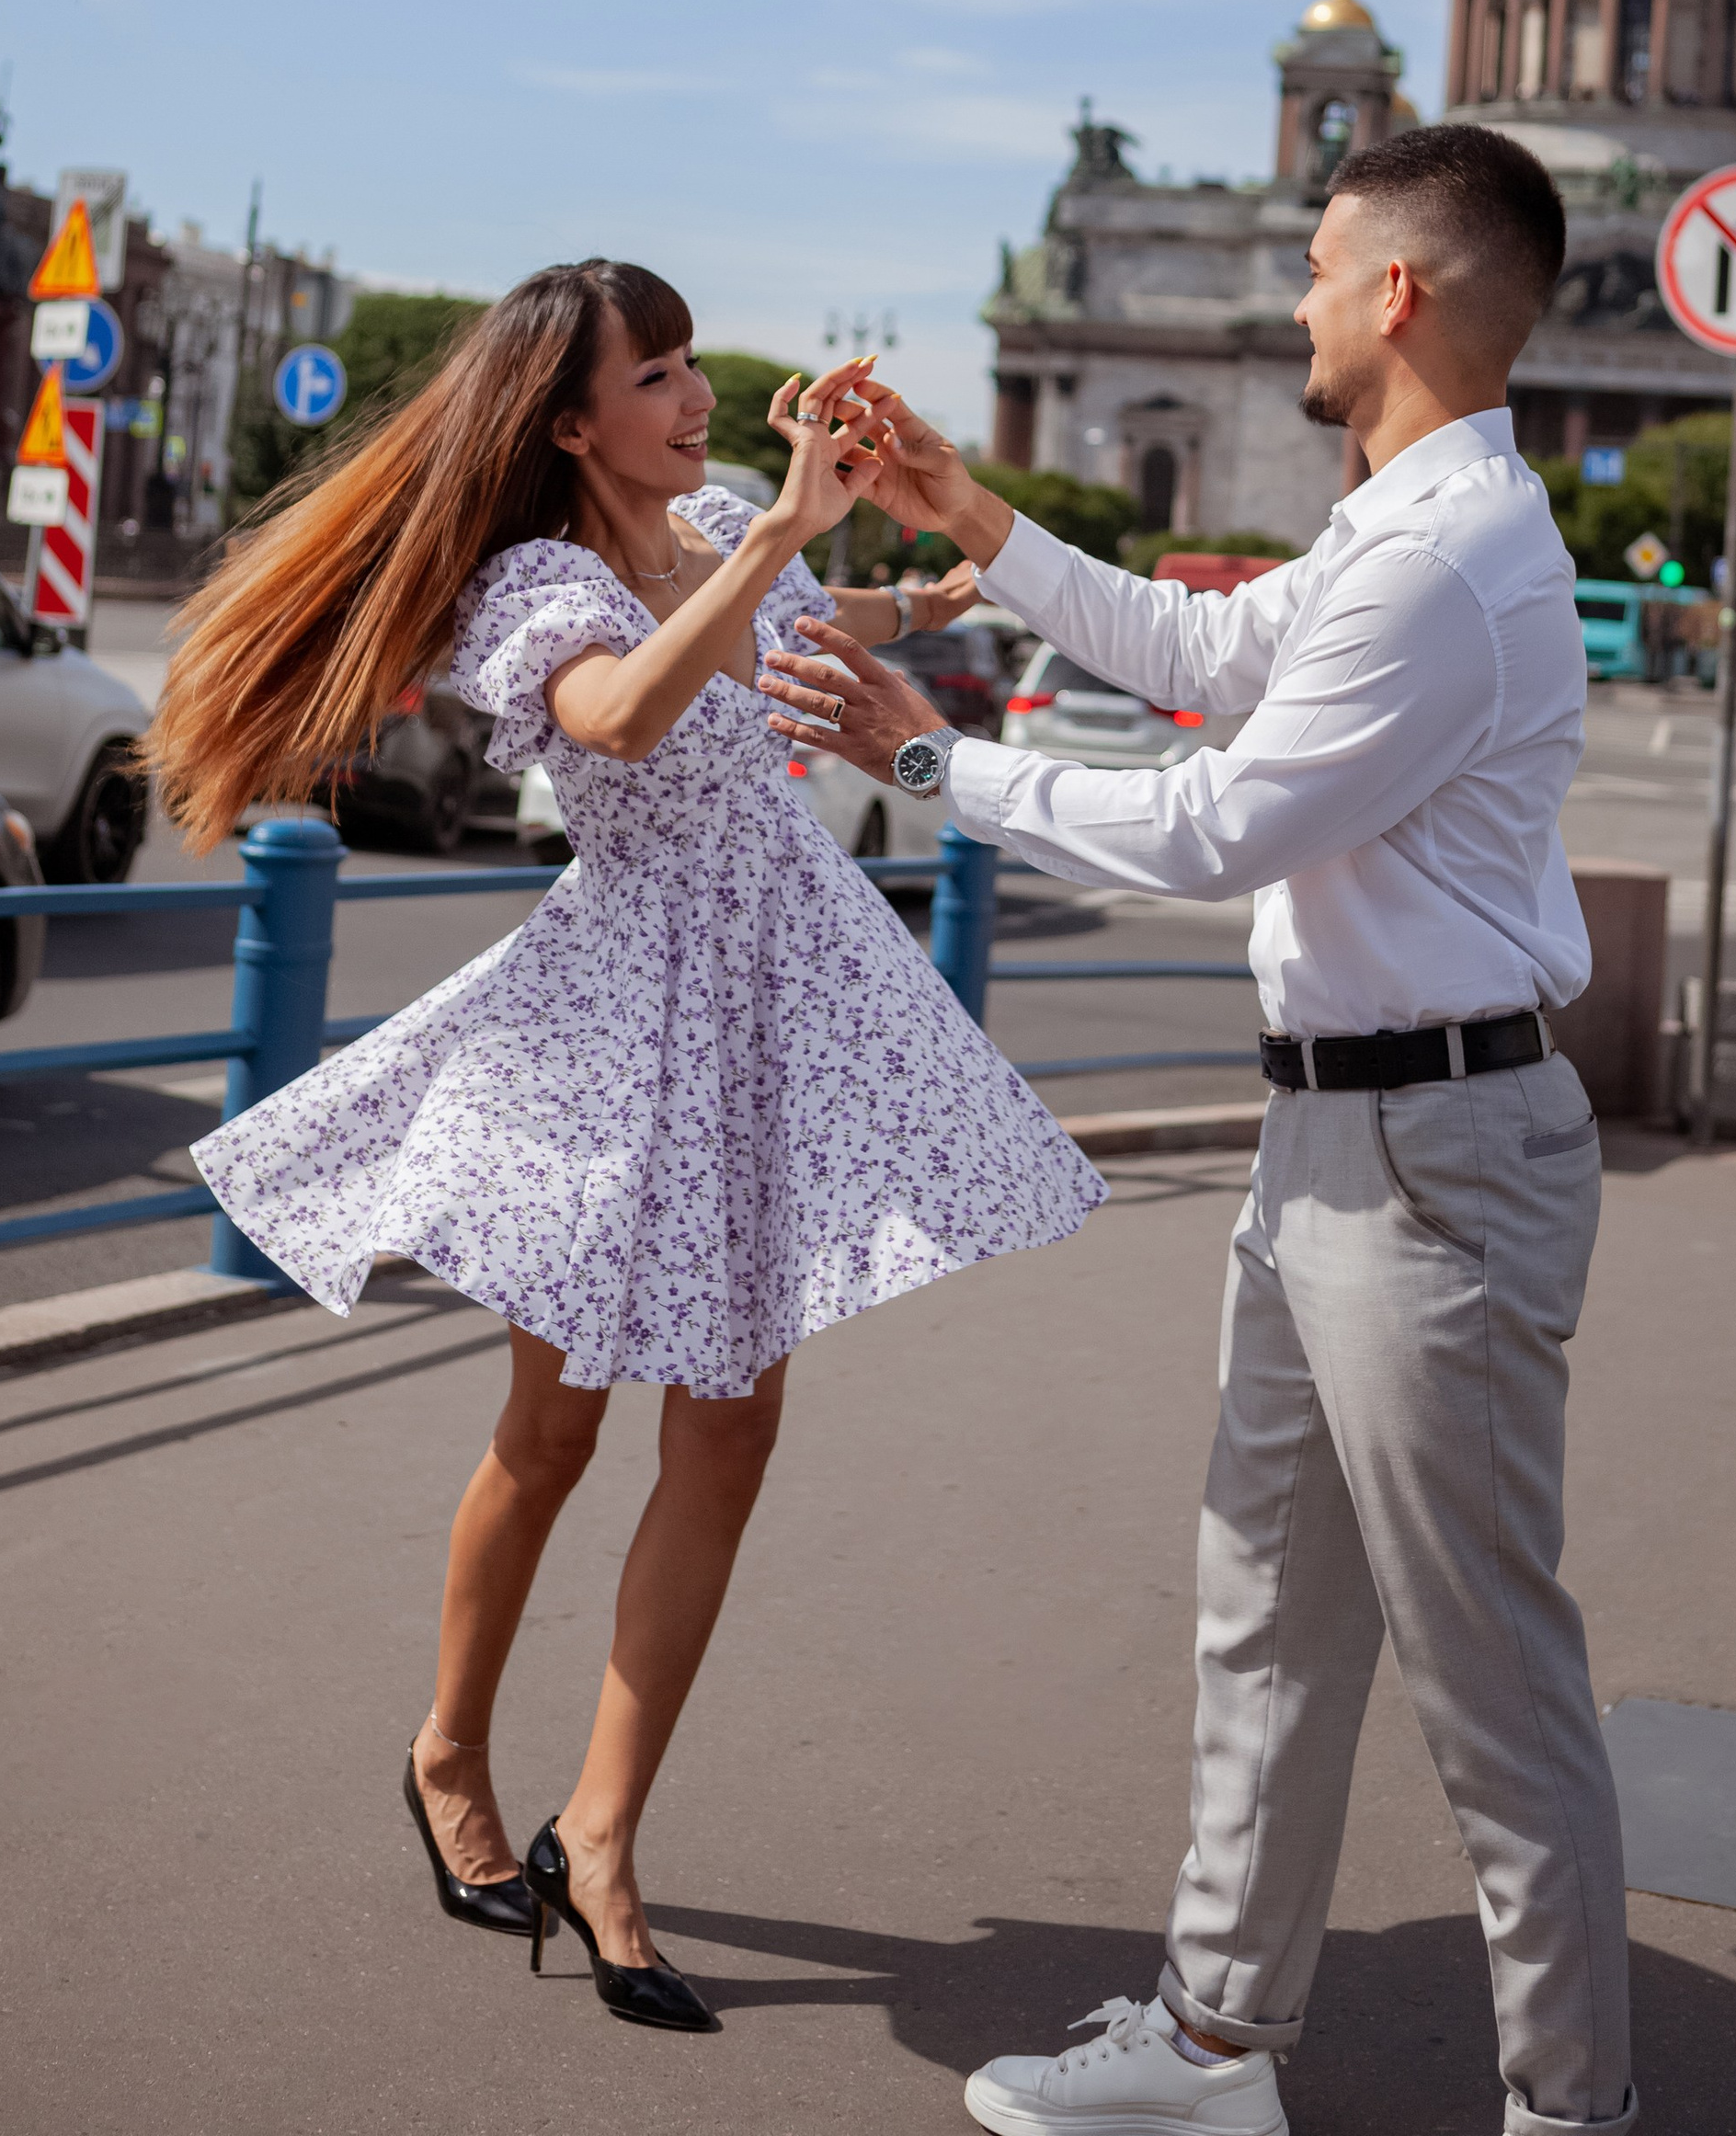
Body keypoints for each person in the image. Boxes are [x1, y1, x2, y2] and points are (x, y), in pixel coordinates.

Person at [760, 126, 1637, 2136]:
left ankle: (1567, 2113)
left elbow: (1221, 823)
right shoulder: (1399, 524)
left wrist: (926, 760)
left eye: (1324, 270)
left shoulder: (1435, 555)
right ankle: (1220, 2046)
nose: (1299, 300)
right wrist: (959, 509)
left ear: (1398, 296)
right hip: (1340, 1146)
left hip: (1433, 1165)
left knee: (1488, 1685)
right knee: (1262, 1609)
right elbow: (1192, 651)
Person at [147, 261, 1102, 2036]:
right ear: (571, 421)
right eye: (655, 374)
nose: (695, 397)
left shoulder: (736, 520)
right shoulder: (540, 583)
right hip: (618, 1026)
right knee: (556, 1424)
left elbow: (812, 632)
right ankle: (447, 1753)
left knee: (732, 1434)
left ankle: (604, 1836)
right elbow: (617, 716)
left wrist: (920, 585)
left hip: (774, 997)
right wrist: (769, 548)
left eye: (687, 363)